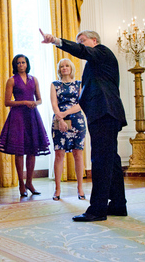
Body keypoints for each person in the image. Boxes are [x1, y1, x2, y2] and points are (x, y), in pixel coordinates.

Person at [40, 29, 128, 222]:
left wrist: (56, 40)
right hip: (103, 113)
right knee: (111, 160)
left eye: (83, 41)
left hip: (105, 112)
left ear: (94, 41)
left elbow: (83, 52)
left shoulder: (103, 52)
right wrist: (64, 115)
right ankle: (118, 205)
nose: (80, 45)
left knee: (100, 160)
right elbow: (86, 94)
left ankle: (97, 209)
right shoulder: (93, 66)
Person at [0, 54, 50, 197]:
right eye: (18, 63)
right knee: (19, 151)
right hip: (17, 117)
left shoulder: (34, 79)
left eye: (23, 62)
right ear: (15, 65)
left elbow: (39, 99)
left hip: (32, 117)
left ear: (27, 64)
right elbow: (7, 102)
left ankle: (30, 182)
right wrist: (24, 102)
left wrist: (34, 103)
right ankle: (21, 183)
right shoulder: (11, 80)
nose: (21, 65)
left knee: (32, 150)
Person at [50, 58, 86, 201]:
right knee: (59, 153)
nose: (64, 68)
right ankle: (57, 190)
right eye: (62, 66)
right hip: (59, 121)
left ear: (71, 68)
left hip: (77, 121)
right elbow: (54, 104)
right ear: (59, 69)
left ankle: (80, 188)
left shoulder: (79, 84)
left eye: (67, 66)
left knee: (78, 153)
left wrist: (65, 114)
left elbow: (81, 103)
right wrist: (61, 119)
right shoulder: (55, 85)